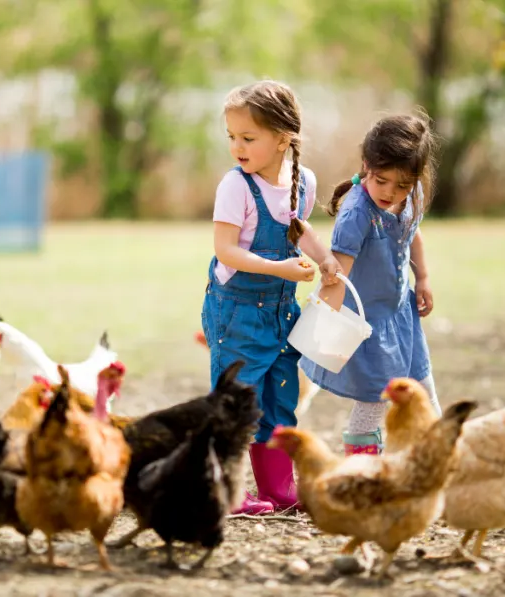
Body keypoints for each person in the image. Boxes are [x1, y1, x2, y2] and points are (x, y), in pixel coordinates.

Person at [201, 80, 340, 514]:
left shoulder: (304, 182)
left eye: (248, 138)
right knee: (237, 403)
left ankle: (277, 489)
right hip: (236, 311)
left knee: (280, 397)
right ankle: (229, 490)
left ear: (283, 139)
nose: (236, 147)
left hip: (282, 312)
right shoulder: (236, 187)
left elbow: (299, 229)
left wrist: (324, 258)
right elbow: (226, 251)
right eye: (231, 137)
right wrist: (281, 268)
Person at [300, 112, 442, 457]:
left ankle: (439, 461)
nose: (391, 192)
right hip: (367, 327)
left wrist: (421, 277)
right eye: (382, 181)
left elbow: (413, 234)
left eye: (402, 185)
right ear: (366, 166)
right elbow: (338, 277)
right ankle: (361, 472)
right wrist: (317, 331)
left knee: (423, 392)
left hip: (400, 316)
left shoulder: (412, 196)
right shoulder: (357, 214)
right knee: (374, 401)